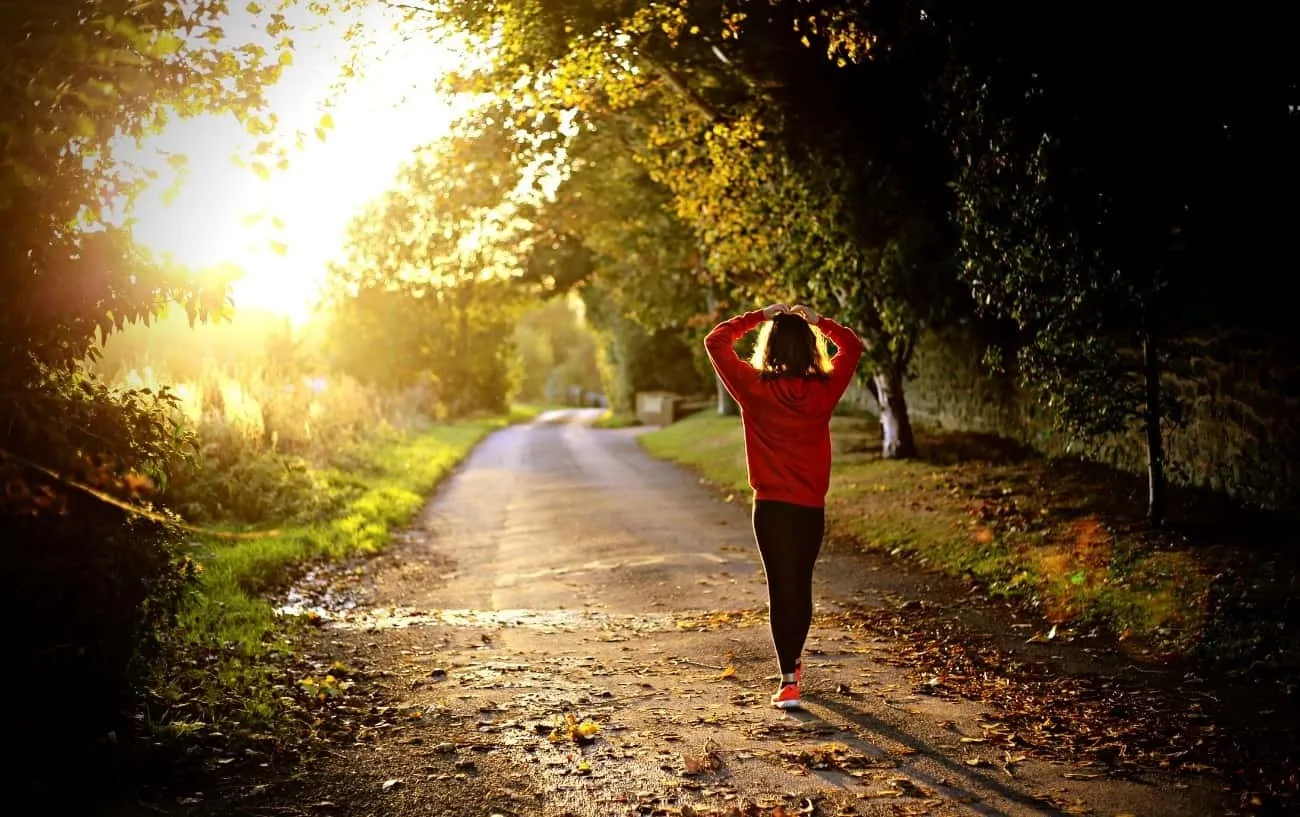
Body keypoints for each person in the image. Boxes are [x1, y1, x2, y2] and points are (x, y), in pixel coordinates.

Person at [704, 302, 864, 709]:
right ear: (810, 348)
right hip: (809, 507)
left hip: (771, 508)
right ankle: (793, 664)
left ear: (770, 347)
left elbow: (716, 341)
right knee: (801, 584)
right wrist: (819, 322)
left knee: (781, 588)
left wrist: (759, 315)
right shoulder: (824, 390)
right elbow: (852, 346)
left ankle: (788, 679)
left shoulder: (753, 388)